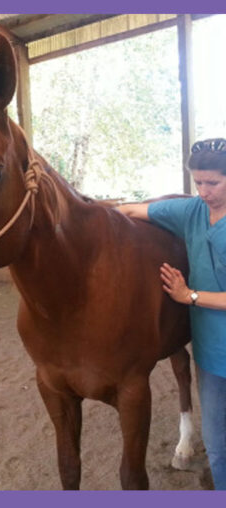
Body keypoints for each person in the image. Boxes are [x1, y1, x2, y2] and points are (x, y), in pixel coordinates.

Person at [117, 138, 226, 490]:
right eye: (198, 182)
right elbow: (132, 211)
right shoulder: (193, 211)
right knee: (217, 444)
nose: (204, 191)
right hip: (212, 354)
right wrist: (82, 210)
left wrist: (187, 295)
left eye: (213, 183)